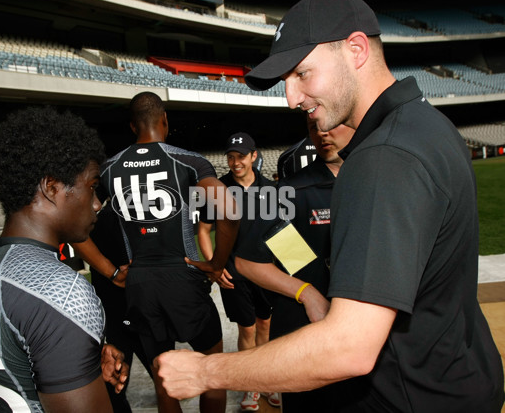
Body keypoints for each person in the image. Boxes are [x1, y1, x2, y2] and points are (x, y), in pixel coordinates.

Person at [155, 0, 505, 412]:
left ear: (356, 49)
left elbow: (349, 348)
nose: (291, 98)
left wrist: (203, 372)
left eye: (302, 73)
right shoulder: (427, 123)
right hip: (458, 379)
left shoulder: (383, 157)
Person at [0, 106, 129, 413]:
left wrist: (78, 360)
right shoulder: (62, 290)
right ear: (51, 187)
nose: (98, 204)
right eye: (91, 187)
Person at [97, 91, 239, 413]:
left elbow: (76, 227)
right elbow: (230, 210)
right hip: (184, 278)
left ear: (133, 126)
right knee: (212, 371)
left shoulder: (108, 169)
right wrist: (216, 264)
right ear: (165, 121)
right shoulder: (188, 160)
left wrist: (111, 271)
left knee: (164, 382)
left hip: (139, 285)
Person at [233, 119, 355, 412]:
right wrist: (307, 292)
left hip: (362, 333)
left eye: (332, 124)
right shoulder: (291, 190)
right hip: (307, 331)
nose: (322, 133)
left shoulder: (375, 179)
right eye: (314, 127)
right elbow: (248, 260)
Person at [197, 132, 279, 411]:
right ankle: (251, 386)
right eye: (230, 157)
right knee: (247, 330)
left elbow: (281, 233)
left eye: (240, 156)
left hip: (266, 273)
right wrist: (214, 267)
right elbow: (203, 231)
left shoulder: (271, 189)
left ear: (254, 156)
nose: (235, 162)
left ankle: (267, 381)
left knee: (266, 327)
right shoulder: (218, 191)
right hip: (234, 275)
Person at [72, 202, 153, 413]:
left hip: (141, 305)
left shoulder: (141, 207)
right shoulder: (95, 214)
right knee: (114, 381)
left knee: (164, 378)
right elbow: (76, 237)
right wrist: (114, 274)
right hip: (115, 306)